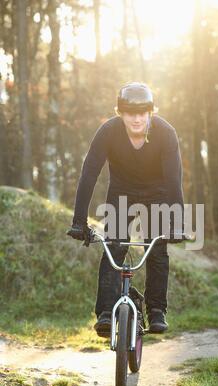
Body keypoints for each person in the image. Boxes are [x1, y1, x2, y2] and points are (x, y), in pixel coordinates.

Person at [67, 82, 185, 337]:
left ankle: (156, 311)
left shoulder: (166, 133)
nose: (137, 119)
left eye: (142, 113)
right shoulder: (108, 132)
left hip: (158, 193)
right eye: (130, 113)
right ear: (121, 113)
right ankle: (106, 313)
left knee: (156, 248)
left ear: (151, 112)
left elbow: (174, 179)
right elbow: (89, 174)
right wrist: (79, 221)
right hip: (122, 192)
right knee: (115, 247)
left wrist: (177, 223)